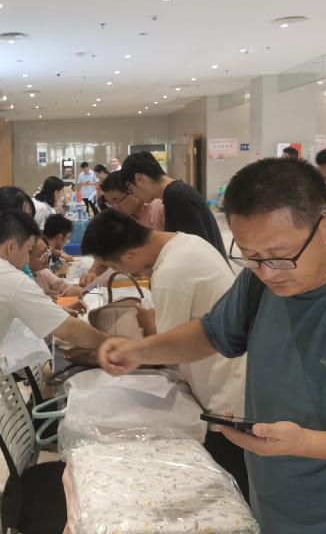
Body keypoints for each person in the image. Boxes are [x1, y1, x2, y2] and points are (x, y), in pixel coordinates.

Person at [98, 158, 326, 533]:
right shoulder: (260, 282)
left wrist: (304, 443)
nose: (266, 272)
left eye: (280, 255)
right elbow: (212, 333)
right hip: (271, 508)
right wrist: (139, 351)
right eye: (250, 256)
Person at [0, 211, 109, 527]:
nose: (28, 260)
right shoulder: (8, 277)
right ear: (11, 247)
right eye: (29, 251)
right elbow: (69, 331)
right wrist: (113, 344)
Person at [81, 210, 248, 499]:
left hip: (226, 395)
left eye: (113, 266)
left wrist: (147, 326)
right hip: (229, 378)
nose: (126, 273)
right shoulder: (188, 243)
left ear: (129, 256)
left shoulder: (171, 273)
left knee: (234, 487)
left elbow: (168, 351)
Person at [121, 151, 227, 258]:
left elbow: (196, 248)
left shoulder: (175, 196)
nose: (134, 195)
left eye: (130, 189)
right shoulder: (177, 191)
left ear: (139, 178)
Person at [79, 171, 165, 287]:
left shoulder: (158, 208)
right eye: (110, 203)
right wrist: (93, 272)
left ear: (133, 192)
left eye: (116, 200)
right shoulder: (121, 218)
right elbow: (108, 249)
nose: (115, 207)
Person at [28, 236, 84, 301]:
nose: (46, 256)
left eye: (46, 251)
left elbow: (65, 289)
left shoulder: (43, 272)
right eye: (40, 255)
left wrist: (80, 290)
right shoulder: (25, 280)